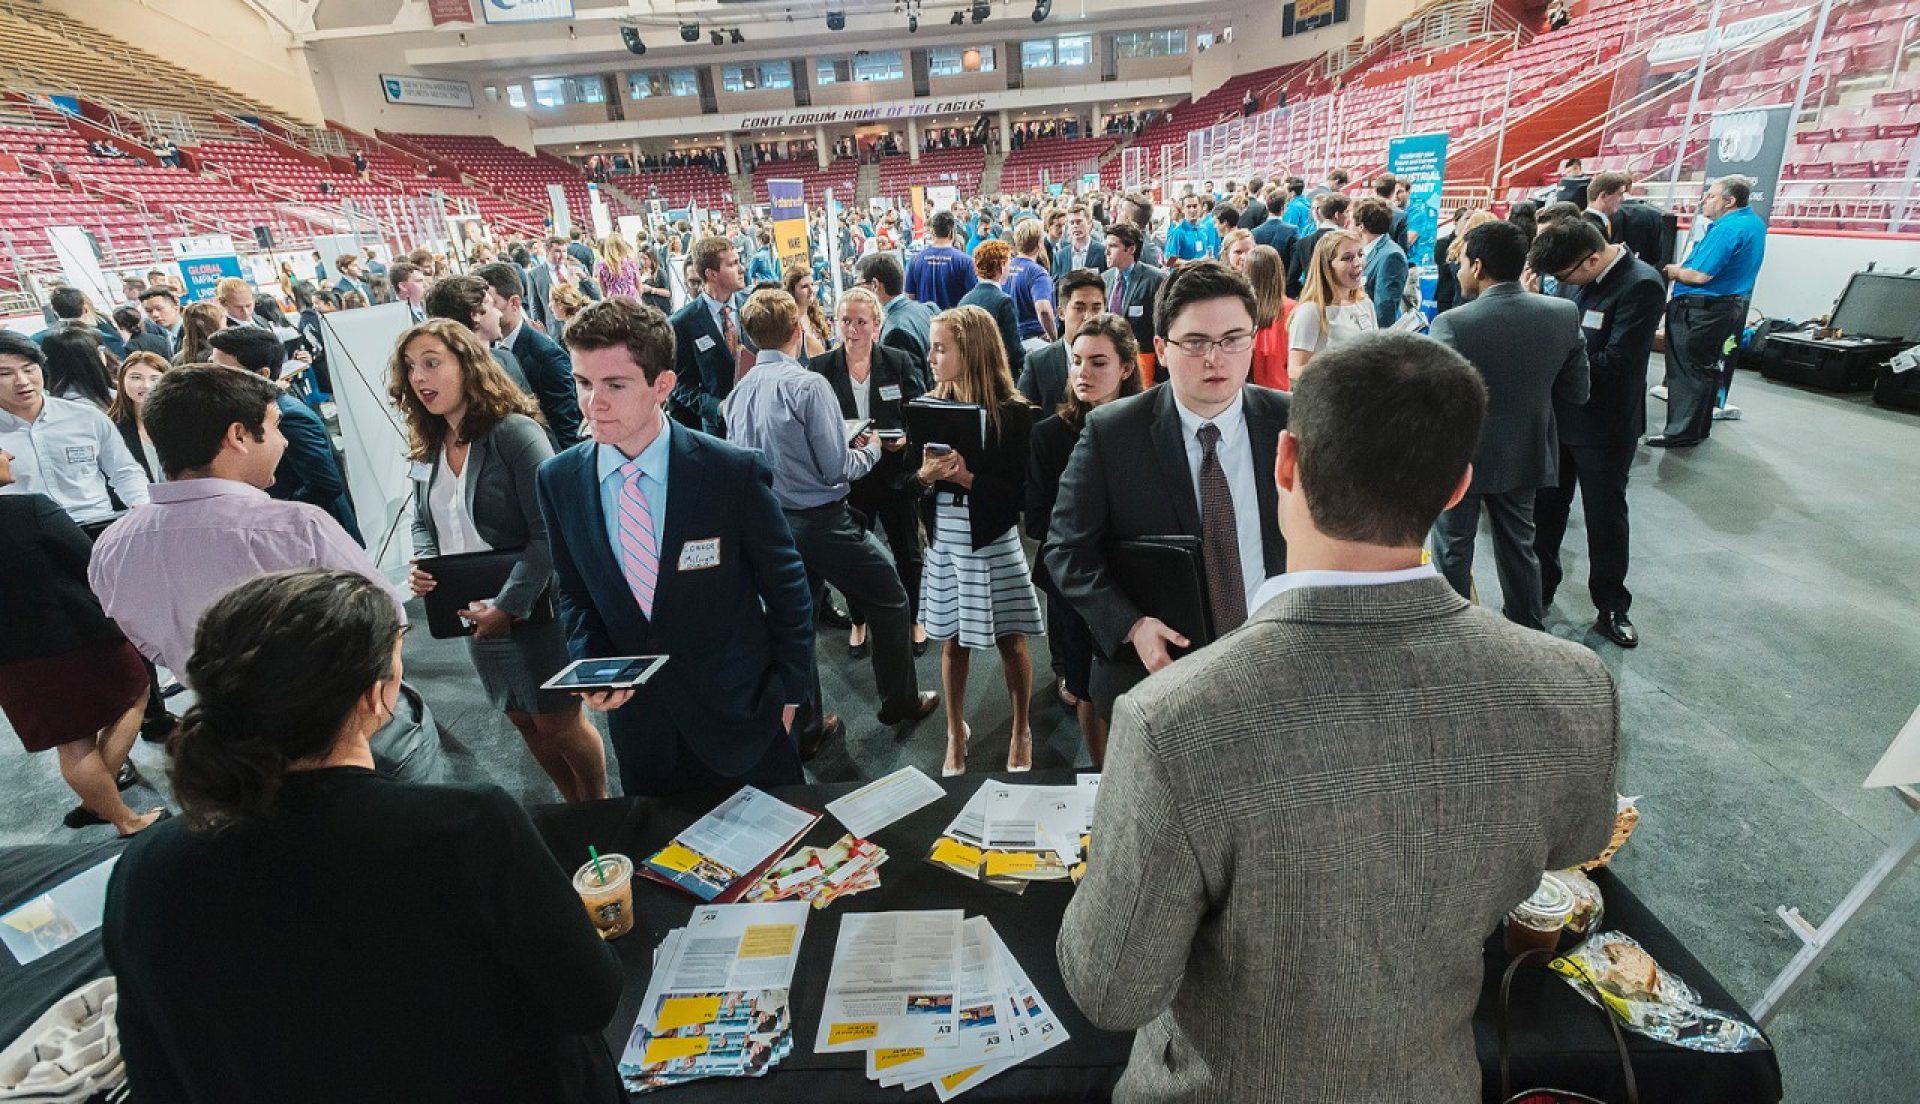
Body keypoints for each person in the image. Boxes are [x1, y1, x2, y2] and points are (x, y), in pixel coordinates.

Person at [1057, 332, 1620, 1104]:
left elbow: (1110, 991)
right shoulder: (1573, 684)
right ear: (1458, 489)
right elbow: (1579, 841)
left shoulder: (1173, 720)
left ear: (1284, 462)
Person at [102, 569, 624, 1103]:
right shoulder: (468, 827)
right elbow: (590, 998)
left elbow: (154, 1074)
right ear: (377, 697)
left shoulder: (145, 868)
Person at [88, 365, 442, 779]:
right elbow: (386, 621)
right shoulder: (294, 527)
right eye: (275, 426)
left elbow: (150, 645)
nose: (284, 439)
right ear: (238, 436)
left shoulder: (111, 546)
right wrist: (376, 707)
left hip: (233, 742)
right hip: (345, 725)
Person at [537, 298, 814, 797]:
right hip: (644, 734)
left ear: (662, 386)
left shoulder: (730, 471)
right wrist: (593, 659)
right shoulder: (559, 479)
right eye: (583, 383)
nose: (592, 402)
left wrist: (791, 695)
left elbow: (788, 587)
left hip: (743, 717)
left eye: (614, 385)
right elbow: (575, 590)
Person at [1045, 262, 1289, 717]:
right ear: (1160, 347)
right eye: (1195, 342)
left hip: (1277, 664)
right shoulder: (1112, 433)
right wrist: (1131, 624)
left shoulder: (1291, 422)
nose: (1216, 358)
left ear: (1252, 340)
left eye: (1233, 339)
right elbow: (1066, 550)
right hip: (1164, 671)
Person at [390, 320, 604, 802]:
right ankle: (572, 806)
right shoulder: (428, 443)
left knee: (559, 720)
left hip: (533, 607)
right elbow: (423, 520)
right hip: (471, 611)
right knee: (522, 719)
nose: (419, 377)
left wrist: (507, 607)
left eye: (431, 362)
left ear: (467, 365)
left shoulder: (514, 433)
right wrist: (426, 562)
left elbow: (548, 533)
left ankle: (599, 805)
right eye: (410, 367)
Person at [728, 289, 938, 747]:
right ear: (798, 330)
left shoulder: (738, 392)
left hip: (773, 525)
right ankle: (899, 701)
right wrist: (875, 448)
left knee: (795, 622)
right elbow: (836, 469)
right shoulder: (808, 384)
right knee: (890, 597)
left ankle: (807, 727)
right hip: (823, 521)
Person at [1428, 221, 1589, 630]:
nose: (1459, 271)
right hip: (1526, 452)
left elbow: (1435, 403)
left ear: (1478, 266)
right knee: (1520, 547)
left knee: (1453, 552)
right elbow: (1577, 392)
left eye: (1461, 263)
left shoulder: (1452, 324)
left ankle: (1455, 633)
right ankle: (1527, 628)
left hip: (1461, 458)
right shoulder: (1563, 314)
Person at [0, 452, 163, 835]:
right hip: (79, 634)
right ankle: (124, 818)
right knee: (137, 693)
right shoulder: (30, 510)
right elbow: (91, 562)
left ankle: (101, 803)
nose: (8, 453)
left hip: (11, 656)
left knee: (71, 741)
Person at [916, 305, 1043, 776]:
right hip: (944, 539)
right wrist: (924, 477)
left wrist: (969, 479)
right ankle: (954, 732)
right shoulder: (927, 406)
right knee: (950, 642)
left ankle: (1022, 729)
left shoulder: (1014, 413)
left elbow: (1019, 495)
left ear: (971, 351)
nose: (931, 357)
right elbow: (911, 486)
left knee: (1012, 641)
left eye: (940, 348)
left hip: (992, 537)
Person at [1529, 218, 1666, 649]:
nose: (1562, 285)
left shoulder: (1641, 285)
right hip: (1560, 416)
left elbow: (1618, 362)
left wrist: (1552, 363)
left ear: (1591, 258)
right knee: (1545, 512)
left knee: (1605, 518)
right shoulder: (1573, 277)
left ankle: (1611, 605)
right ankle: (1540, 589)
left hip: (1605, 424)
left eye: (1565, 276)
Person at [1026, 314, 1141, 765]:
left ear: (1126, 367)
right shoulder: (1049, 435)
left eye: (1097, 362)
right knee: (1083, 686)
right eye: (1075, 361)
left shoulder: (1147, 428)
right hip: (1074, 585)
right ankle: (1099, 778)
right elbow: (1036, 520)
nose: (1082, 373)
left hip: (1135, 581)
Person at [812, 288, 932, 663]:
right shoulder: (820, 369)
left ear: (876, 326)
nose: (852, 329)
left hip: (895, 473)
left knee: (908, 553)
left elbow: (917, 412)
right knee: (853, 557)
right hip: (850, 479)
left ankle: (915, 618)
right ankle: (859, 620)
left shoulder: (897, 361)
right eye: (845, 320)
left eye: (861, 321)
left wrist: (905, 440)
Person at [207, 327, 363, 545]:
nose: (213, 375)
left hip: (318, 539)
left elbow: (325, 483)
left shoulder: (289, 416)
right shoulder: (253, 409)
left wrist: (276, 513)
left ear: (262, 374)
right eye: (211, 364)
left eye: (223, 369)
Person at [0, 330, 149, 534]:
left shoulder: (86, 417)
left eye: (29, 369)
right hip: (25, 539)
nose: (22, 381)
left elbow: (124, 471)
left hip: (98, 526)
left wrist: (141, 506)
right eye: (5, 374)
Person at [1658, 174, 1766, 442]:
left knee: (1688, 372)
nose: (1705, 201)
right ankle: (1696, 428)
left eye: (1712, 196)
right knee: (1704, 370)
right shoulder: (1753, 222)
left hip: (1703, 310)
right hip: (1724, 307)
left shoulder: (1728, 229)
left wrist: (1672, 271)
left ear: (1730, 200)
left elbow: (1699, 275)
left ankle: (1680, 432)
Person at [474, 262, 585, 450]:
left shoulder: (546, 356)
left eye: (491, 303)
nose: (481, 313)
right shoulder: (488, 347)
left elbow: (567, 432)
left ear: (514, 303)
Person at [668, 236, 751, 436]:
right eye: (732, 264)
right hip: (719, 431)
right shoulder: (682, 323)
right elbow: (678, 385)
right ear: (712, 274)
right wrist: (716, 406)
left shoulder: (753, 305)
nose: (742, 269)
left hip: (762, 421)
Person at [424, 274, 535, 397]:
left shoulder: (506, 359)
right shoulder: (454, 377)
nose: (499, 314)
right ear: (475, 315)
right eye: (492, 305)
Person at [1288, 230, 1377, 377]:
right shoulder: (1311, 311)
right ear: (1327, 267)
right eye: (1348, 258)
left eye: (1360, 255)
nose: (1358, 263)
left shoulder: (1365, 303)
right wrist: (1341, 368)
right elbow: (1295, 370)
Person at [1019, 267, 1106, 412]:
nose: (1088, 317)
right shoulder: (1038, 364)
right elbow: (1021, 419)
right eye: (1079, 308)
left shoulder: (1116, 361)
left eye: (1096, 309)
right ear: (1061, 313)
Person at [1099, 223, 1167, 380]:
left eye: (1113, 246)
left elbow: (1162, 327)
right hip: (1111, 360)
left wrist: (1160, 372)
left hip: (1144, 360)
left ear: (1131, 249)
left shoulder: (1155, 280)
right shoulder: (1105, 279)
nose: (1106, 252)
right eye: (1106, 246)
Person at [859, 252, 934, 384]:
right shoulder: (927, 310)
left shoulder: (896, 333)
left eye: (859, 285)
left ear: (875, 285)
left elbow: (911, 389)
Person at [957, 240, 1026, 382]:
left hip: (972, 375)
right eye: (1008, 263)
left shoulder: (964, 300)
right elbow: (1013, 350)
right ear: (1000, 266)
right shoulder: (1004, 302)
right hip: (999, 377)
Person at [108, 352, 169, 482]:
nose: (146, 385)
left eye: (155, 379)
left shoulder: (183, 423)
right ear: (122, 380)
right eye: (136, 377)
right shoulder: (111, 427)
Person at [905, 211, 978, 311]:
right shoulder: (965, 261)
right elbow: (973, 299)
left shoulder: (916, 259)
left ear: (933, 232)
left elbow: (910, 296)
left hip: (925, 322)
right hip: (954, 322)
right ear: (952, 232)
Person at [1354, 196, 1409, 330]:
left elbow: (1385, 307)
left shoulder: (1391, 256)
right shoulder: (1364, 250)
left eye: (1351, 221)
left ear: (1361, 227)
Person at [1245, 245, 1294, 391]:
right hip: (1284, 394)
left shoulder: (1242, 310)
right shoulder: (1294, 310)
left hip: (1250, 393)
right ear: (1279, 271)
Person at [1006, 220, 1058, 351]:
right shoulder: (1037, 272)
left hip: (1010, 340)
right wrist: (1054, 337)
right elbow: (1044, 309)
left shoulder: (1005, 268)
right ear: (1039, 244)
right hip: (1034, 340)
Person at [1288, 192, 1351, 298]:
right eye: (1346, 212)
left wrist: (1308, 294)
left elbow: (1291, 282)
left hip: (1312, 299)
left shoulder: (1303, 242)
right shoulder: (1345, 241)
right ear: (1336, 214)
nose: (1348, 216)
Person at [42, 326, 117, 410]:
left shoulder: (57, 403)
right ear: (91, 358)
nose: (103, 353)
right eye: (99, 349)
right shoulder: (84, 407)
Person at [783, 266, 832, 358]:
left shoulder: (815, 314)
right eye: (804, 286)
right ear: (792, 291)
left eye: (812, 285)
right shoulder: (788, 323)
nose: (811, 290)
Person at [1164, 194, 1220, 267]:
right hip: (1184, 277)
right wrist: (1193, 263)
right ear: (1183, 210)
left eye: (1195, 206)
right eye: (1188, 206)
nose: (1192, 210)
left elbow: (1209, 252)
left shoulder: (1204, 229)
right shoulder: (1177, 232)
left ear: (1201, 208)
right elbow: (1169, 261)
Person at [1051, 204, 1105, 278]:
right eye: (1072, 223)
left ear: (1090, 224)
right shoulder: (1060, 256)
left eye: (1079, 222)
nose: (1075, 226)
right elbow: (1055, 285)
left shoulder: (1102, 252)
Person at [138, 287, 183, 357]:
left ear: (176, 306)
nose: (154, 315)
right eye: (149, 311)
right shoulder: (167, 337)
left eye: (159, 309)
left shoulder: (191, 332)